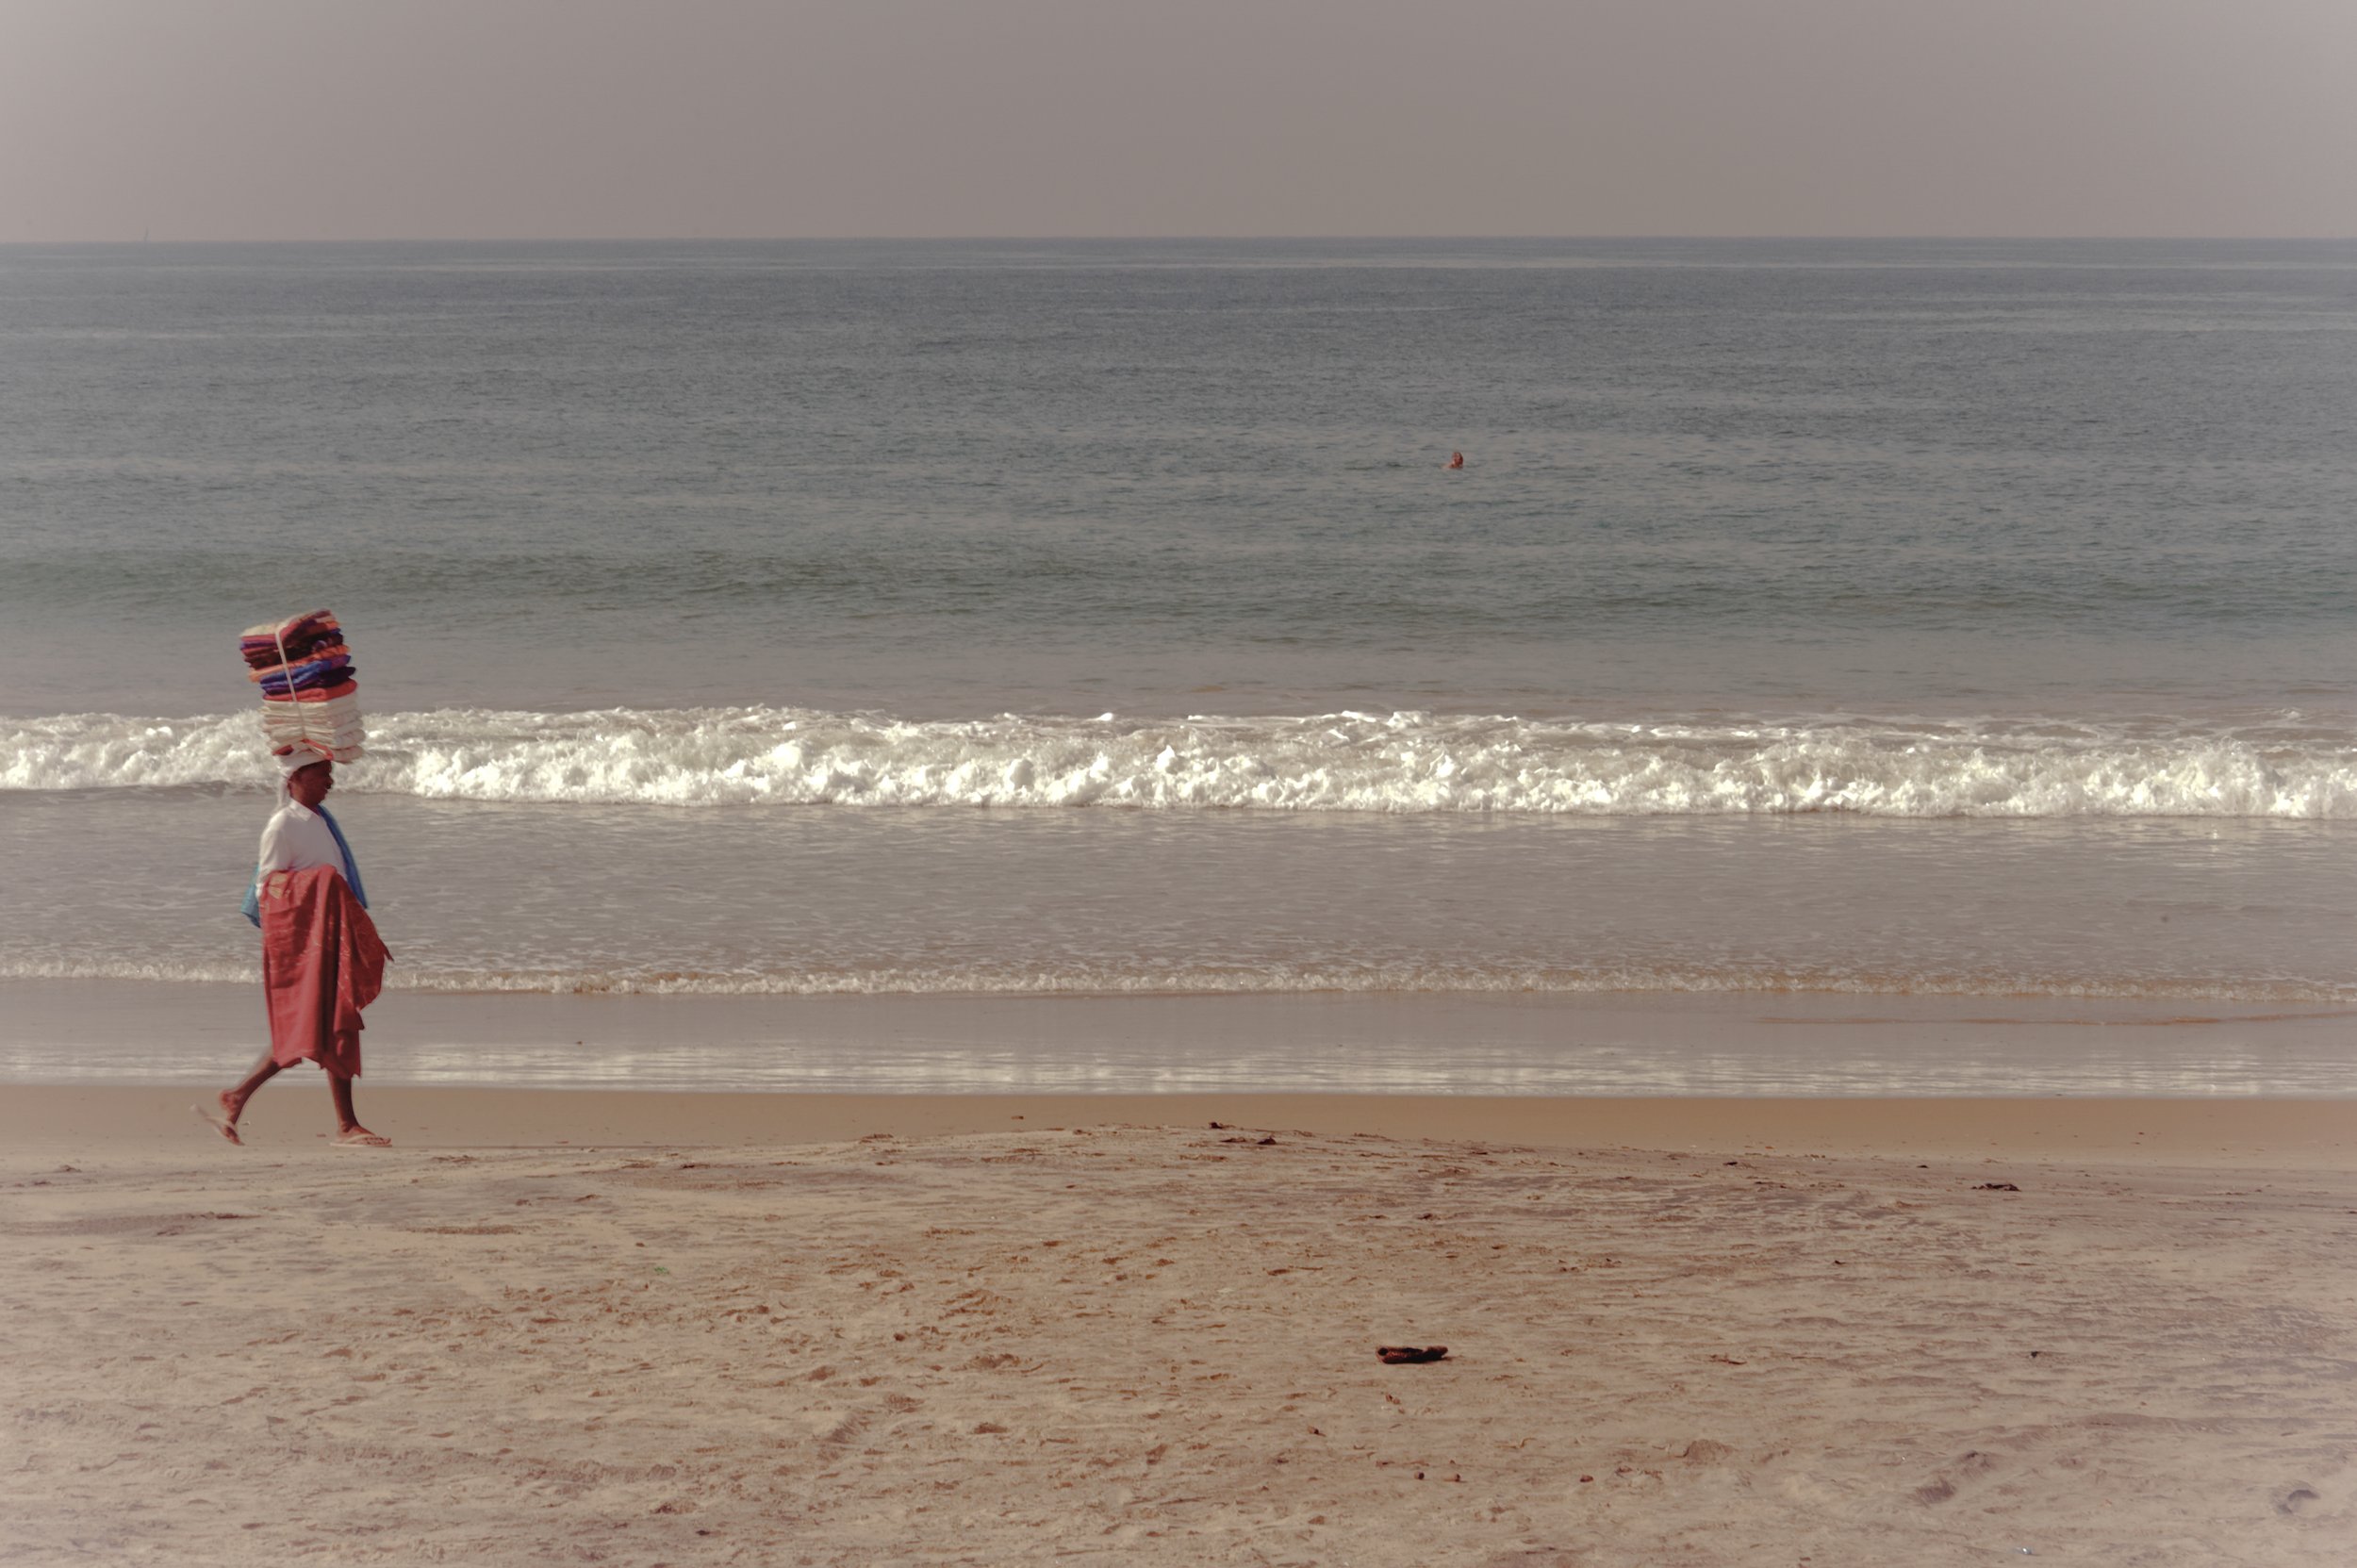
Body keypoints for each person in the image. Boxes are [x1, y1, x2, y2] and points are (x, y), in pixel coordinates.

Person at [201, 742, 391, 1147]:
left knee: (324, 1025)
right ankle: (344, 1126)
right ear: (296, 778)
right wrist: (321, 884)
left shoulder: (320, 819)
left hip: (331, 939)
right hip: (307, 943)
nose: (330, 780)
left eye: (329, 772)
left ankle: (239, 1097)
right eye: (321, 773)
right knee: (319, 1026)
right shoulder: (282, 825)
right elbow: (267, 888)